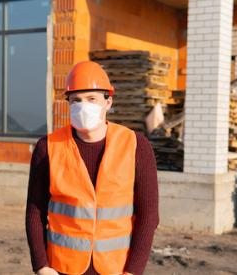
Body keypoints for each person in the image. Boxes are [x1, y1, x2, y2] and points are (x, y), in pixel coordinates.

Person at [26, 61, 159, 275]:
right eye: (76, 100)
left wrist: (134, 271)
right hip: (62, 268)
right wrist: (41, 266)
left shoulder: (135, 145)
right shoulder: (48, 147)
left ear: (107, 102)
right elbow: (35, 210)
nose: (82, 106)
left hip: (116, 268)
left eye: (91, 99)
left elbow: (148, 214)